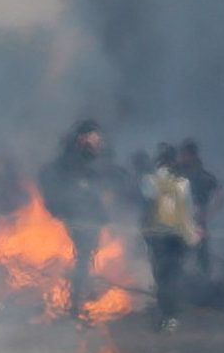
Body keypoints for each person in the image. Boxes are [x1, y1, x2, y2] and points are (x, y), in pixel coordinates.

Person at [39, 120, 121, 315]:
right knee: (83, 258)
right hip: (79, 218)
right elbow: (52, 179)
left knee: (87, 256)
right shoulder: (71, 160)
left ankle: (80, 294)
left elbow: (105, 180)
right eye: (94, 135)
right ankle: (76, 303)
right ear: (83, 137)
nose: (99, 139)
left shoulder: (95, 157)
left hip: (92, 217)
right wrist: (61, 209)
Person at [141, 144, 199, 332]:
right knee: (173, 274)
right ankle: (171, 315)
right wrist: (192, 235)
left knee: (161, 275)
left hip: (157, 235)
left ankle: (167, 313)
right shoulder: (183, 182)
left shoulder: (149, 180)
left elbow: (145, 203)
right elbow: (187, 211)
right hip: (177, 236)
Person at [177, 139, 223, 276]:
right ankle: (177, 283)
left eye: (185, 154)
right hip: (178, 223)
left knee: (201, 255)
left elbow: (220, 194)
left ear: (193, 155)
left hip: (197, 222)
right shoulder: (177, 174)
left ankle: (204, 283)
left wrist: (209, 213)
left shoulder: (203, 176)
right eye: (181, 154)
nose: (182, 157)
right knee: (177, 256)